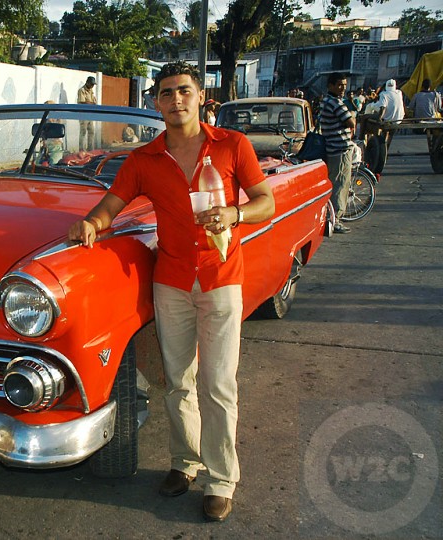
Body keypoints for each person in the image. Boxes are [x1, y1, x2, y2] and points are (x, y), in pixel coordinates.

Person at [68, 61, 275, 523]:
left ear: (200, 96)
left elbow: (267, 200)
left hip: (222, 277)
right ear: (156, 103)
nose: (176, 99)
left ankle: (222, 480)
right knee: (178, 380)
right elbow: (111, 205)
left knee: (218, 384)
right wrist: (91, 224)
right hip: (172, 280)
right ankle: (186, 463)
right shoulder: (144, 159)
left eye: (184, 90)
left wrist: (235, 215)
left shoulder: (233, 146)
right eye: (166, 93)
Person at [319, 72, 356, 234]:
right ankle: (334, 220)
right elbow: (351, 122)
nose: (342, 88)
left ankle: (331, 218)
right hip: (339, 150)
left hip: (333, 149)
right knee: (340, 185)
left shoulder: (327, 101)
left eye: (345, 85)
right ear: (331, 85)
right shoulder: (335, 103)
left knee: (336, 184)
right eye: (339, 85)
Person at [377, 79, 405, 152]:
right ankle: (387, 149)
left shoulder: (383, 94)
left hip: (388, 119)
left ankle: (383, 149)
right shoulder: (399, 92)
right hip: (399, 119)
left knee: (385, 133)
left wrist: (379, 118)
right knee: (391, 134)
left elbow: (383, 108)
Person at [78, 76, 98, 151]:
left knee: (91, 132)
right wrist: (92, 103)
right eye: (91, 84)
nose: (92, 86)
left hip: (90, 114)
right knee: (83, 133)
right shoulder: (82, 90)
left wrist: (93, 103)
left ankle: (91, 150)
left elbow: (94, 101)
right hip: (83, 114)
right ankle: (82, 150)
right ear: (87, 83)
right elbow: (82, 102)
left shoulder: (91, 91)